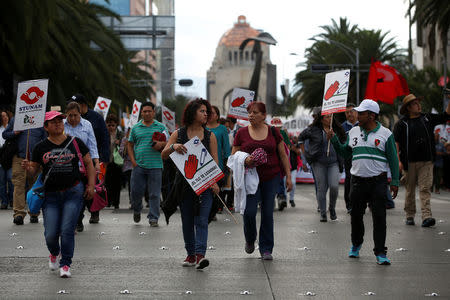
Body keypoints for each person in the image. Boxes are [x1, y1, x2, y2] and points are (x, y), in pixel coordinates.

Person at [22, 111, 95, 278]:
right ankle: (54, 252)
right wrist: (28, 168)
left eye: (60, 121)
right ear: (46, 127)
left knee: (67, 229)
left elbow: (88, 162)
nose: (58, 124)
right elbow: (33, 172)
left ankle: (66, 264)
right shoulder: (40, 147)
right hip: (51, 196)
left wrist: (90, 185)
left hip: (73, 192)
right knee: (51, 234)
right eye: (53, 122)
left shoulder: (75, 142)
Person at [328, 99, 399, 265]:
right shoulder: (353, 131)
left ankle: (380, 252)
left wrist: (394, 180)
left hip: (378, 182)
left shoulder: (386, 134)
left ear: (372, 115)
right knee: (356, 216)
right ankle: (356, 244)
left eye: (361, 113)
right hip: (358, 181)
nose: (357, 115)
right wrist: (335, 141)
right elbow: (346, 153)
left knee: (379, 217)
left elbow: (393, 159)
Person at [161, 98, 220, 269]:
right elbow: (164, 154)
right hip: (184, 185)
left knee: (202, 220)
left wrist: (215, 182)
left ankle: (201, 255)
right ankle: (190, 254)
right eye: (202, 111)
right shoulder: (178, 134)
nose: (205, 114)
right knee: (187, 220)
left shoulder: (211, 136)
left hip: (206, 185)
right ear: (192, 113)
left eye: (206, 111)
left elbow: (215, 161)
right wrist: (174, 147)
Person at [231, 101, 292, 260]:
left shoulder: (273, 132)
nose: (251, 115)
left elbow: (283, 155)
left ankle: (266, 249)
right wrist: (245, 161)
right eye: (249, 112)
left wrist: (289, 177)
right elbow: (233, 157)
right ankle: (250, 239)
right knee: (249, 212)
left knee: (267, 213)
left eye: (255, 112)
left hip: (271, 177)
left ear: (264, 115)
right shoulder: (241, 133)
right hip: (249, 178)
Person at [394, 94, 450, 227]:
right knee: (410, 190)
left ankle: (426, 216)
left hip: (426, 161)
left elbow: (446, 115)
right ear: (408, 108)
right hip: (409, 162)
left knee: (425, 189)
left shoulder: (427, 118)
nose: (419, 105)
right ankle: (409, 215)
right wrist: (398, 160)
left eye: (418, 102)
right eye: (415, 103)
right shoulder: (401, 124)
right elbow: (395, 142)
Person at [298, 110, 345, 222]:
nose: (329, 119)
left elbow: (343, 142)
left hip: (333, 162)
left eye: (330, 117)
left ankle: (332, 208)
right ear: (321, 119)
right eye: (327, 117)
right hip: (318, 162)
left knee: (334, 186)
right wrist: (305, 154)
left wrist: (333, 138)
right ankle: (323, 213)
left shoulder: (337, 129)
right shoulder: (313, 130)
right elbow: (300, 139)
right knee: (321, 187)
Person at [69, 94, 110, 224]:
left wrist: (101, 160)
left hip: (91, 160)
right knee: (77, 190)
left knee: (92, 188)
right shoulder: (65, 122)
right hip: (71, 162)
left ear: (83, 105)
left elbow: (103, 140)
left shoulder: (95, 118)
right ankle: (78, 218)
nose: (73, 116)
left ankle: (94, 212)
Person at [128, 102, 168, 227]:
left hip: (156, 165)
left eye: (149, 111)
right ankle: (137, 209)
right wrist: (133, 162)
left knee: (155, 194)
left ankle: (153, 218)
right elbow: (130, 144)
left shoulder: (161, 127)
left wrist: (160, 144)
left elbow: (168, 142)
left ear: (153, 112)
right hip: (138, 166)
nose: (147, 113)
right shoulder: (135, 128)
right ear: (141, 113)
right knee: (135, 192)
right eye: (144, 111)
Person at [2, 114, 46, 225]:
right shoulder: (16, 119)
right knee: (18, 184)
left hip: (36, 159)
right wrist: (14, 133)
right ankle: (18, 214)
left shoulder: (40, 119)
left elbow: (45, 139)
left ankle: (34, 212)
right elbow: (5, 134)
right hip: (19, 157)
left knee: (35, 186)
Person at [206, 106, 231, 215]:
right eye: (208, 113)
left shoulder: (222, 129)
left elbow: (226, 147)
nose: (210, 115)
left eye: (213, 113)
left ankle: (213, 210)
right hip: (203, 161)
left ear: (217, 116)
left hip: (218, 162)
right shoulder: (201, 127)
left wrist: (227, 163)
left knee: (216, 188)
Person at [271, 117, 291, 211]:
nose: (277, 129)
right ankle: (269, 199)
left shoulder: (283, 134)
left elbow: (287, 147)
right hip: (270, 162)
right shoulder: (267, 134)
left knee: (280, 181)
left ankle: (281, 198)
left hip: (280, 162)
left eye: (278, 127)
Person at [341, 103, 358, 213]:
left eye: (351, 111)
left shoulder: (362, 125)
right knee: (349, 180)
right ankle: (349, 204)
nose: (349, 114)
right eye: (347, 112)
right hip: (348, 158)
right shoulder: (342, 127)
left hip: (361, 157)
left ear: (356, 112)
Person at [105, 114, 124, 211]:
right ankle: (108, 201)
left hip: (117, 161)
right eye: (109, 125)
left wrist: (120, 143)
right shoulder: (104, 134)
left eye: (113, 125)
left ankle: (116, 202)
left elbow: (125, 145)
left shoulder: (120, 134)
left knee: (117, 183)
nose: (111, 127)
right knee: (107, 183)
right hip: (107, 161)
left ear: (116, 125)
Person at [0, 110, 14, 209]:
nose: (4, 118)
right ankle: (4, 202)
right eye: (2, 116)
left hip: (10, 158)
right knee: (1, 182)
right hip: (0, 158)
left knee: (11, 179)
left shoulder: (12, 128)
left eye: (6, 116)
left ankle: (12, 200)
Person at [288, 136, 300, 207]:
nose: (295, 139)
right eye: (294, 137)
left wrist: (294, 149)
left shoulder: (297, 145)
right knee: (283, 184)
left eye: (296, 137)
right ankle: (283, 198)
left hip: (293, 168)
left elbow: (299, 153)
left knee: (293, 183)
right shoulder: (286, 143)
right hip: (285, 168)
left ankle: (291, 199)